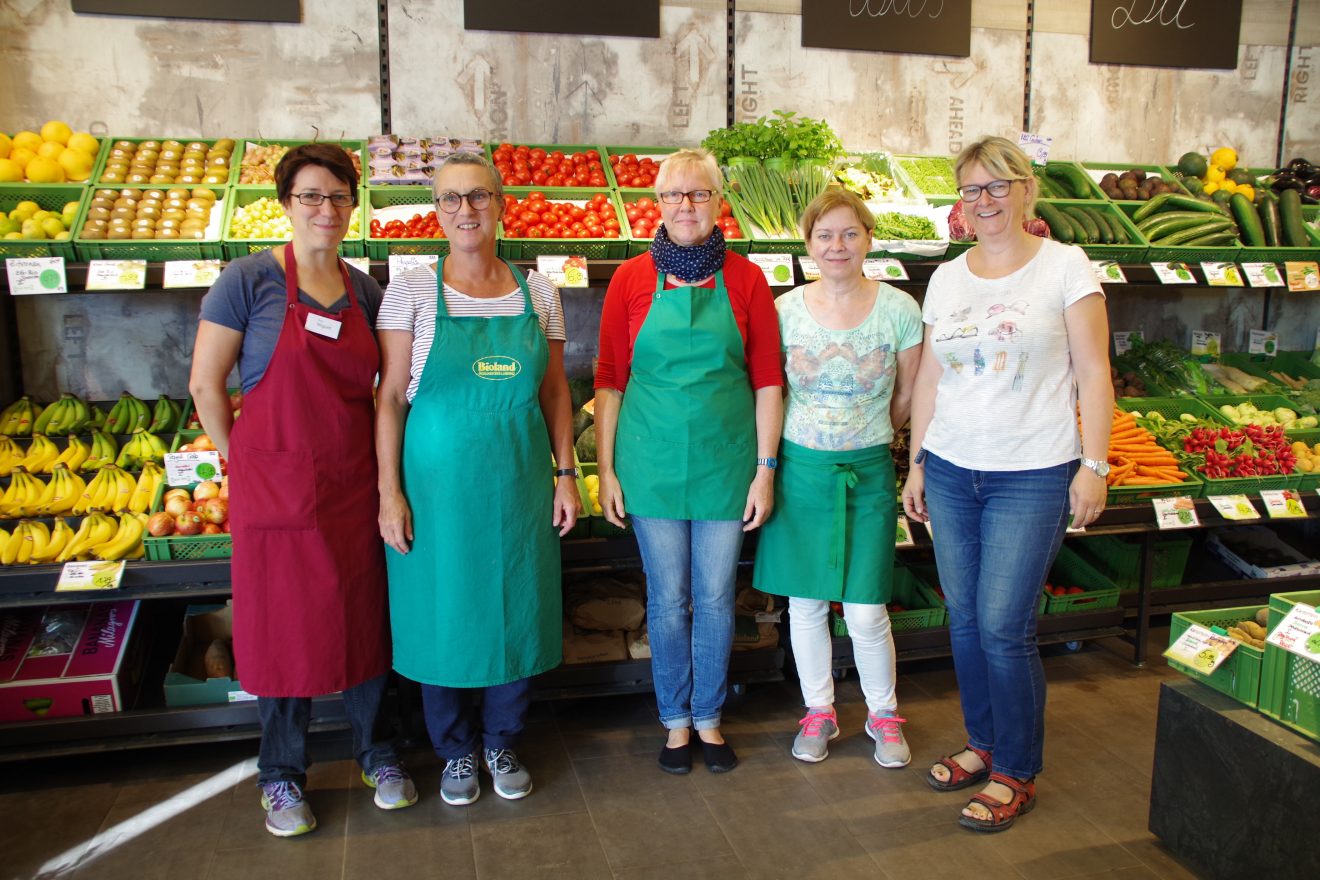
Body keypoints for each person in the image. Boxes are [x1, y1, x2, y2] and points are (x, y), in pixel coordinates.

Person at [189, 143, 416, 838]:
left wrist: (387, 483)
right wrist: (244, 461)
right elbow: (206, 383)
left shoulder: (366, 291)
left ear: (354, 206)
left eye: (339, 197)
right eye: (311, 196)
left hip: (351, 485)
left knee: (362, 619)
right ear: (288, 203)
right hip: (274, 495)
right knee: (280, 628)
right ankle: (281, 775)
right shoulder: (248, 282)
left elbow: (386, 392)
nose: (326, 209)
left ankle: (378, 754)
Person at [901, 136, 1113, 832]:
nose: (984, 201)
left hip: (1035, 471)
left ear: (1026, 190)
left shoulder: (1065, 268)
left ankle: (1016, 771)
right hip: (955, 469)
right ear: (959, 206)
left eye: (997, 186)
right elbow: (931, 376)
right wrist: (919, 461)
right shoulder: (948, 278)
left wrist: (1095, 464)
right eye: (971, 191)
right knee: (965, 622)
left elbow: (1094, 373)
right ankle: (984, 743)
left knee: (1003, 626)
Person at [375, 151, 579, 807]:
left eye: (480, 197)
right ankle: (456, 752)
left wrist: (568, 473)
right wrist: (389, 492)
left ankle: (502, 739)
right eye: (452, 199)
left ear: (502, 204)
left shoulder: (538, 292)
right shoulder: (410, 288)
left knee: (513, 606)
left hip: (519, 485)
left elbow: (553, 393)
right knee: (442, 614)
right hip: (435, 491)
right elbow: (389, 401)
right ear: (437, 211)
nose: (467, 210)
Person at [594, 148, 784, 775]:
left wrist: (765, 468)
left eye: (697, 194)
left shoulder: (749, 280)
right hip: (648, 464)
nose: (684, 206)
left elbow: (766, 381)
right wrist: (608, 470)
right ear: (657, 203)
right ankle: (674, 720)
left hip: (726, 465)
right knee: (668, 599)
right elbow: (610, 379)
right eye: (673, 195)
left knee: (715, 594)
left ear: (717, 201)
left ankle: (709, 717)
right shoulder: (629, 279)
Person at [752, 189, 922, 768]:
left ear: (869, 238)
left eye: (850, 233)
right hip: (801, 472)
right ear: (807, 245)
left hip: (868, 473)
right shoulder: (784, 311)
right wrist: (768, 467)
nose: (837, 246)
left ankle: (883, 714)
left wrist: (868, 431)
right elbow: (771, 394)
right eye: (824, 235)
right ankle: (819, 710)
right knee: (805, 604)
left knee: (867, 607)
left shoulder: (900, 310)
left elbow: (906, 397)